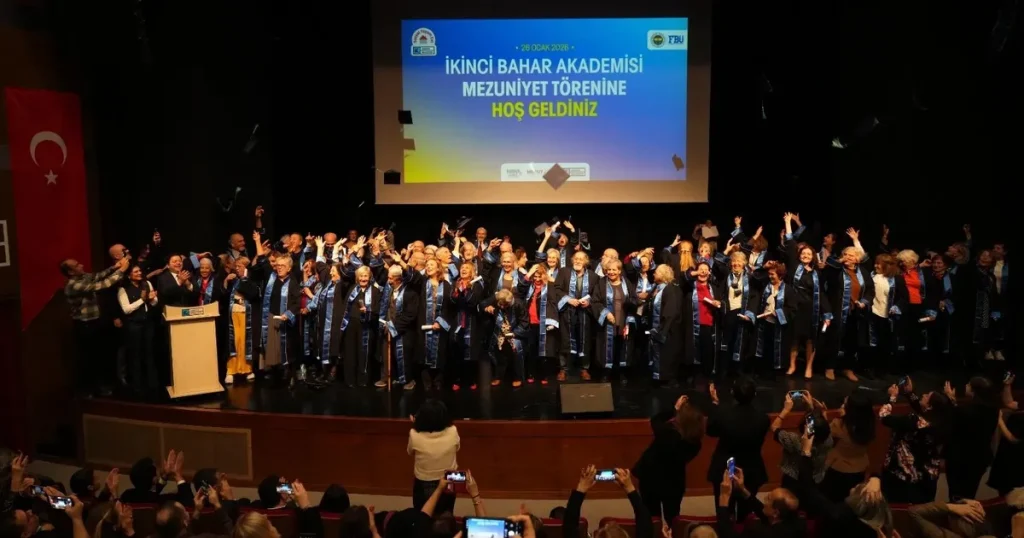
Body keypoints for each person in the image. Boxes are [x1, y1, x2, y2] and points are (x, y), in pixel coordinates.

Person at [62, 254, 130, 397]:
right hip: (84, 325)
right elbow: (100, 285)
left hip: (94, 322)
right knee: (88, 359)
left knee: (100, 356)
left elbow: (98, 276)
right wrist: (121, 271)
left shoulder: (83, 277)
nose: (81, 265)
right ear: (70, 272)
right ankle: (87, 391)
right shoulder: (73, 285)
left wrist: (114, 267)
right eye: (76, 265)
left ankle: (101, 388)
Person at [706, 376, 770, 517]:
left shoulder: (724, 415)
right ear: (754, 395)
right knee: (746, 513)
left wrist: (715, 404)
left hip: (724, 468)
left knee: (724, 509)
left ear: (733, 394)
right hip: (751, 469)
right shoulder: (763, 418)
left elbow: (711, 431)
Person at [633, 395, 703, 522]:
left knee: (652, 517)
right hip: (674, 482)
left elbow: (656, 420)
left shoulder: (667, 435)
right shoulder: (695, 443)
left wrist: (675, 408)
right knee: (673, 517)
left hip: (652, 479)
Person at [822, 391, 877, 502]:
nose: (842, 405)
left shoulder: (839, 424)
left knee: (833, 500)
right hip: (859, 469)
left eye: (845, 404)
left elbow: (824, 434)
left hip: (838, 469)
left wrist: (824, 414)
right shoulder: (869, 424)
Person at [407, 399, 459, 514]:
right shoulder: (453, 431)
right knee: (446, 512)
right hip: (449, 479)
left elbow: (410, 452)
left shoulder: (414, 434)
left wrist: (415, 425)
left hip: (424, 482)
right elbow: (457, 447)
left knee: (423, 513)